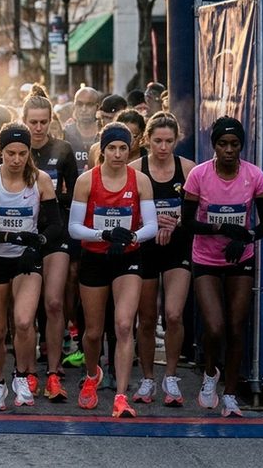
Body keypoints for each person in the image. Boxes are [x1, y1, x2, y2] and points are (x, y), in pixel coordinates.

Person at [182, 117, 263, 417]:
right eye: (223, 144)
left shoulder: (254, 176)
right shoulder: (198, 176)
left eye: (234, 145)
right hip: (206, 259)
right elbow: (188, 222)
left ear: (241, 146)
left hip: (240, 259)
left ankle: (231, 395)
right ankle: (211, 373)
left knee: (236, 326)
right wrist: (220, 227)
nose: (229, 150)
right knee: (216, 325)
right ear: (214, 146)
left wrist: (245, 235)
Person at [67, 122, 158, 418]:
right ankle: (92, 375)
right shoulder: (86, 181)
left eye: (123, 148)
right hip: (94, 258)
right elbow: (74, 227)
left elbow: (152, 226)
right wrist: (103, 235)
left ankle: (121, 395)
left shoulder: (140, 180)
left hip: (127, 259)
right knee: (92, 333)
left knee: (122, 325)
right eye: (112, 148)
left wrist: (131, 237)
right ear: (103, 150)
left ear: (130, 149)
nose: (118, 154)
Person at [0, 124, 61, 411]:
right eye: (10, 153)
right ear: (1, 152)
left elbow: (56, 226)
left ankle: (22, 375)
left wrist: (36, 243)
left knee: (23, 322)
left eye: (22, 153)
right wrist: (9, 236)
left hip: (26, 260)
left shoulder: (40, 180)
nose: (16, 159)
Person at [16, 88, 81, 399]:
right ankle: (26, 370)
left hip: (56, 231)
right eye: (32, 122)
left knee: (54, 303)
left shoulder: (63, 149)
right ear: (24, 121)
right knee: (24, 312)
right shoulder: (15, 150)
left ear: (51, 121)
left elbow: (75, 193)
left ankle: (53, 372)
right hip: (23, 234)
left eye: (43, 122)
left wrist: (51, 198)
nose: (38, 128)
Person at [131, 113, 195, 407]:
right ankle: (147, 378)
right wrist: (152, 221)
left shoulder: (188, 170)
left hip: (176, 248)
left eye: (169, 141)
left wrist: (177, 221)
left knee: (172, 314)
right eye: (157, 140)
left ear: (176, 141)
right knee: (145, 318)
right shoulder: (136, 170)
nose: (163, 147)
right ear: (147, 140)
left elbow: (199, 214)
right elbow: (122, 212)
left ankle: (170, 376)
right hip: (145, 248)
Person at [64, 87, 101, 173]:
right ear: (74, 106)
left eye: (89, 105)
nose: (84, 109)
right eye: (79, 104)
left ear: (97, 107)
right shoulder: (66, 133)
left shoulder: (104, 133)